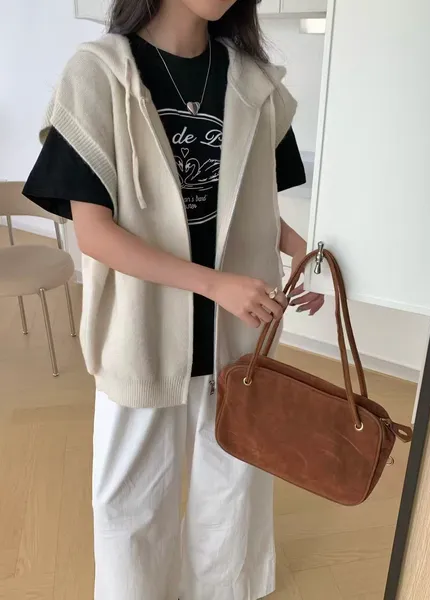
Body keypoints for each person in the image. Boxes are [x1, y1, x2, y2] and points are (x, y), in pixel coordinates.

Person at [24, 0, 324, 598]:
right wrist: (213, 283)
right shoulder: (100, 72)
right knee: (131, 496)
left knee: (236, 482)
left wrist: (303, 255)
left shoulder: (254, 82)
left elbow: (258, 204)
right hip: (144, 324)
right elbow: (94, 233)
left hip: (241, 325)